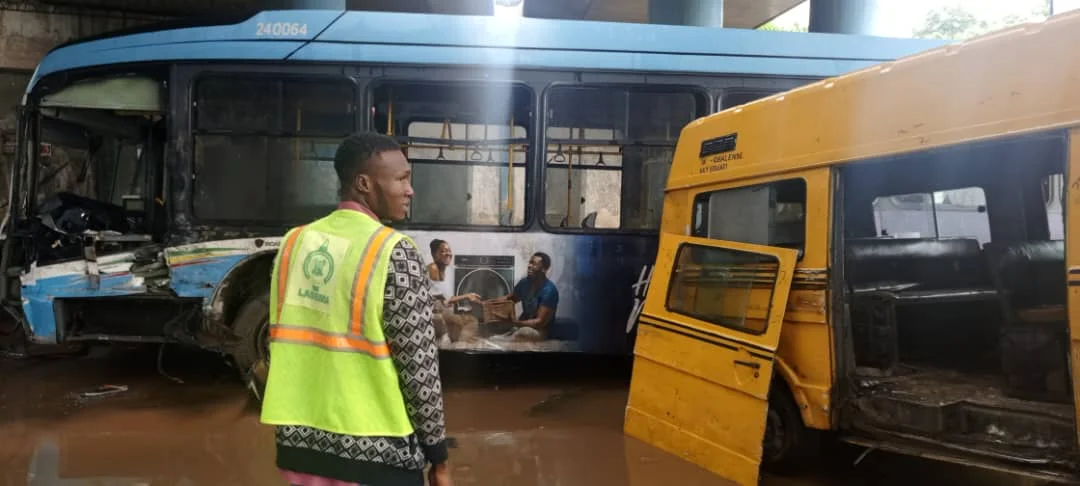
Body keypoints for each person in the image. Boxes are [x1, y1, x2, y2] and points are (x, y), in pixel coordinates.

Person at [260, 132, 451, 486]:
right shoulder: (395, 251)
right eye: (402, 179)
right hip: (378, 453)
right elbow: (419, 370)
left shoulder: (295, 242)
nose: (410, 190)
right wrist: (438, 455)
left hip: (301, 450)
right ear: (363, 183)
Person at [490, 252, 559, 341]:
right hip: (521, 325)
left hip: (540, 331)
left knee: (524, 333)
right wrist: (485, 303)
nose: (529, 266)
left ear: (544, 269)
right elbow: (509, 299)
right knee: (497, 333)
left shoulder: (550, 291)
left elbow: (539, 322)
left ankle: (509, 340)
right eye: (530, 262)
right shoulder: (524, 283)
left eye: (534, 264)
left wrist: (513, 323)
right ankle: (509, 337)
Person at [426, 239, 481, 307]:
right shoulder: (433, 268)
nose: (448, 254)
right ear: (434, 254)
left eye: (449, 251)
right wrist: (467, 296)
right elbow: (444, 299)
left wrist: (469, 296)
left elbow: (444, 299)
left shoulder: (445, 271)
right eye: (443, 251)